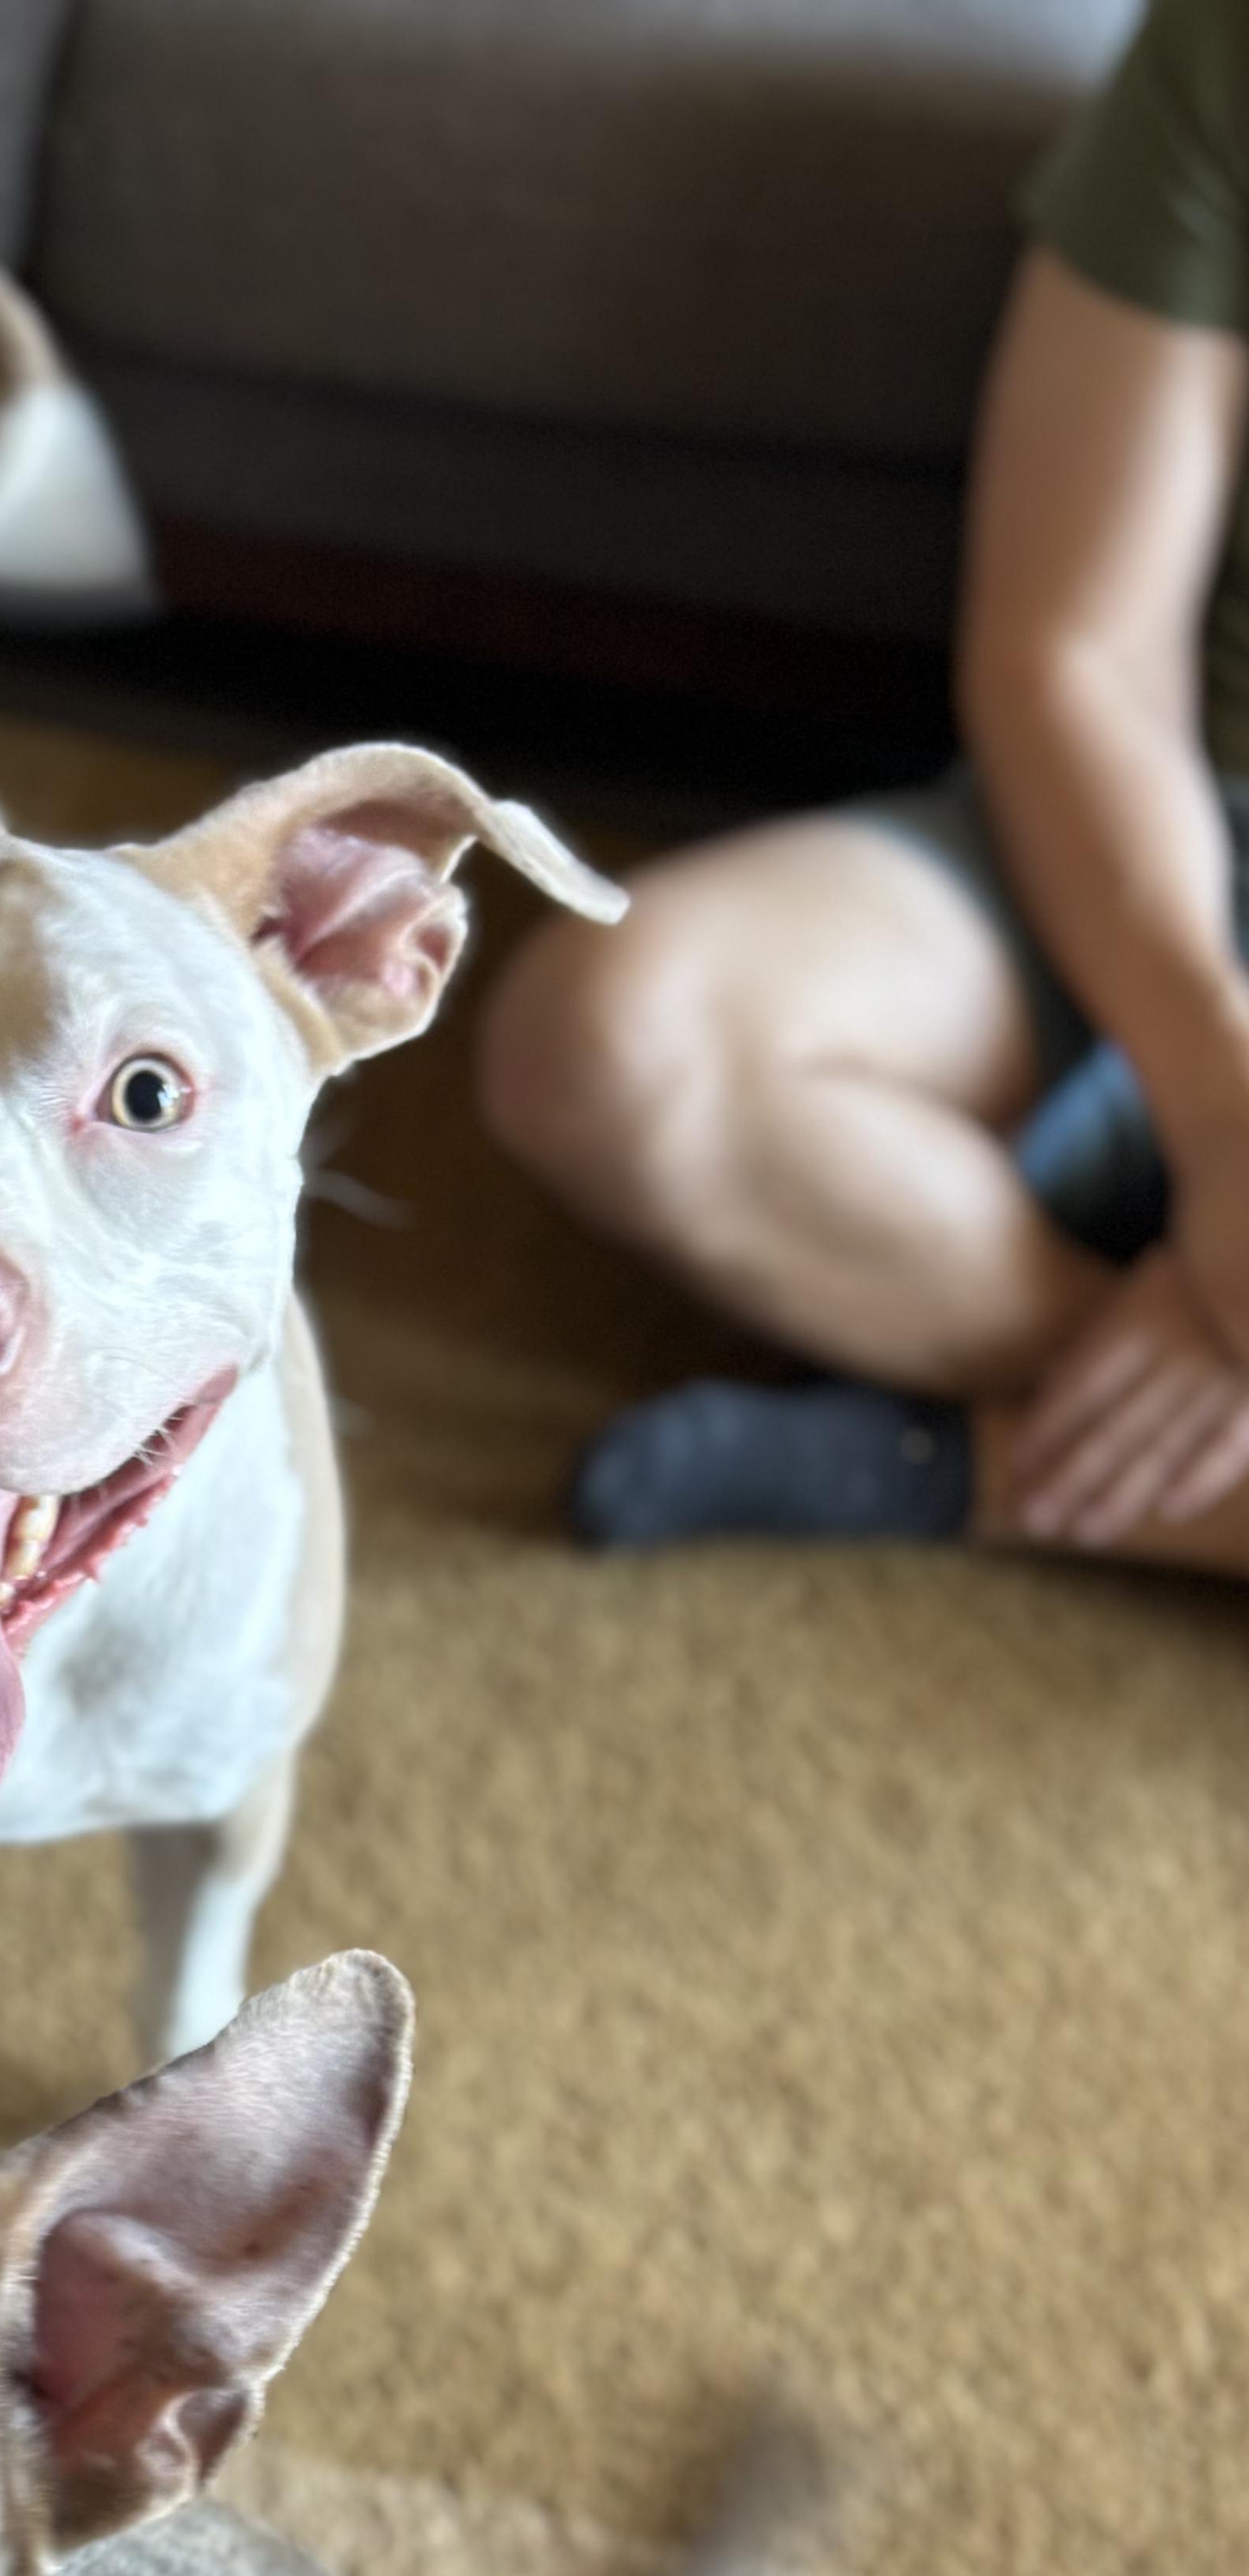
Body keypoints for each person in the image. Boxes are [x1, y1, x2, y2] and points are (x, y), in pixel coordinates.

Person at [479, 0, 1249, 1575]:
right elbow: (1076, 653)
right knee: (611, 1045)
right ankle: (1150, 1444)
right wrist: (1227, 1115)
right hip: (1160, 821)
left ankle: (964, 1466)